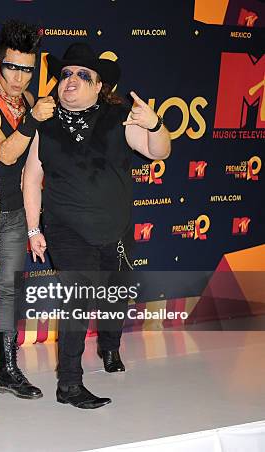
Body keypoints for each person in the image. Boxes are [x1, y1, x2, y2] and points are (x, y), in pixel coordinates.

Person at [23, 42, 171, 409]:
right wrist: (32, 229)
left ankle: (109, 347)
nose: (71, 79)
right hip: (67, 230)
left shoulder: (119, 117)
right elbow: (30, 178)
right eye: (66, 73)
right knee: (78, 300)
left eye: (81, 74)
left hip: (116, 230)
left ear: (98, 85)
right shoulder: (45, 123)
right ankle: (69, 383)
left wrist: (154, 124)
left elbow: (158, 151)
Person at [0, 20, 55, 400]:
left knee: (10, 291)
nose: (20, 77)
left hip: (11, 211)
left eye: (28, 69)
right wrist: (32, 120)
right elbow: (3, 153)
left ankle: (7, 371)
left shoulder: (29, 102)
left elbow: (33, 167)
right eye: (12, 67)